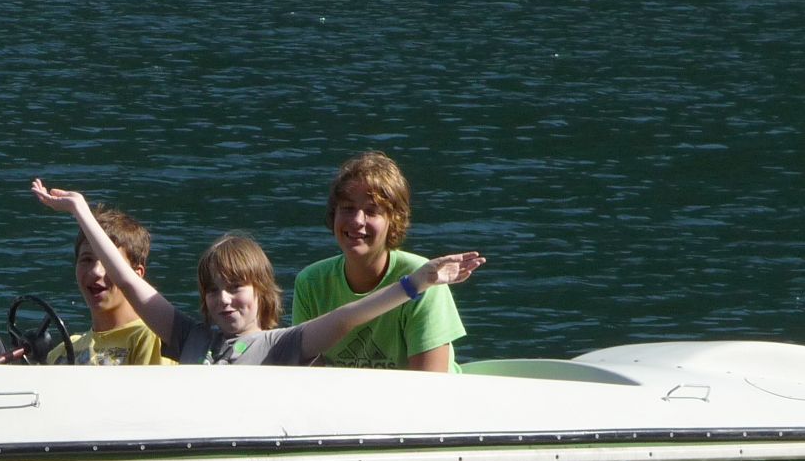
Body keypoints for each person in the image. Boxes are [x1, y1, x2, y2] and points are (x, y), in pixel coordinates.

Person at [31, 179, 484, 367]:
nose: (224, 300)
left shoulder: (283, 345)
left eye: (236, 288)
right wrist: (81, 211)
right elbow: (130, 283)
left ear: (262, 293)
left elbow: (350, 316)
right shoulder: (189, 339)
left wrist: (418, 282)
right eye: (213, 291)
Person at [291, 151, 467, 372]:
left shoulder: (425, 279)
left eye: (372, 211)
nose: (357, 220)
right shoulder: (310, 282)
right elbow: (307, 374)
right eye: (348, 208)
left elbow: (429, 383)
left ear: (393, 221)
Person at [46, 204, 173, 365]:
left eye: (108, 263)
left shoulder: (149, 336)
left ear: (136, 274)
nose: (96, 272)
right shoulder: (64, 349)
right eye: (86, 260)